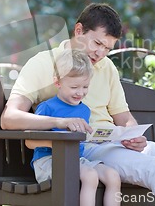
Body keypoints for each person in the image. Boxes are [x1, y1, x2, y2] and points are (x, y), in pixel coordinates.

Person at [1, 3, 155, 206]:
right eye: (97, 43)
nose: (100, 53)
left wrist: (133, 134)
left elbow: (123, 117)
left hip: (113, 141)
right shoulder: (43, 63)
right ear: (79, 31)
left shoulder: (106, 67)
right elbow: (9, 118)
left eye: (107, 48)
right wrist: (61, 122)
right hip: (82, 148)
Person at [25, 49, 121, 206]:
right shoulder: (47, 107)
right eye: (75, 87)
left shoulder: (84, 110)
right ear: (58, 83)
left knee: (113, 176)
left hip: (77, 160)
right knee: (90, 176)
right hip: (47, 161)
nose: (80, 93)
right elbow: (30, 142)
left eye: (85, 87)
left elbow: (83, 140)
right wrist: (59, 144)